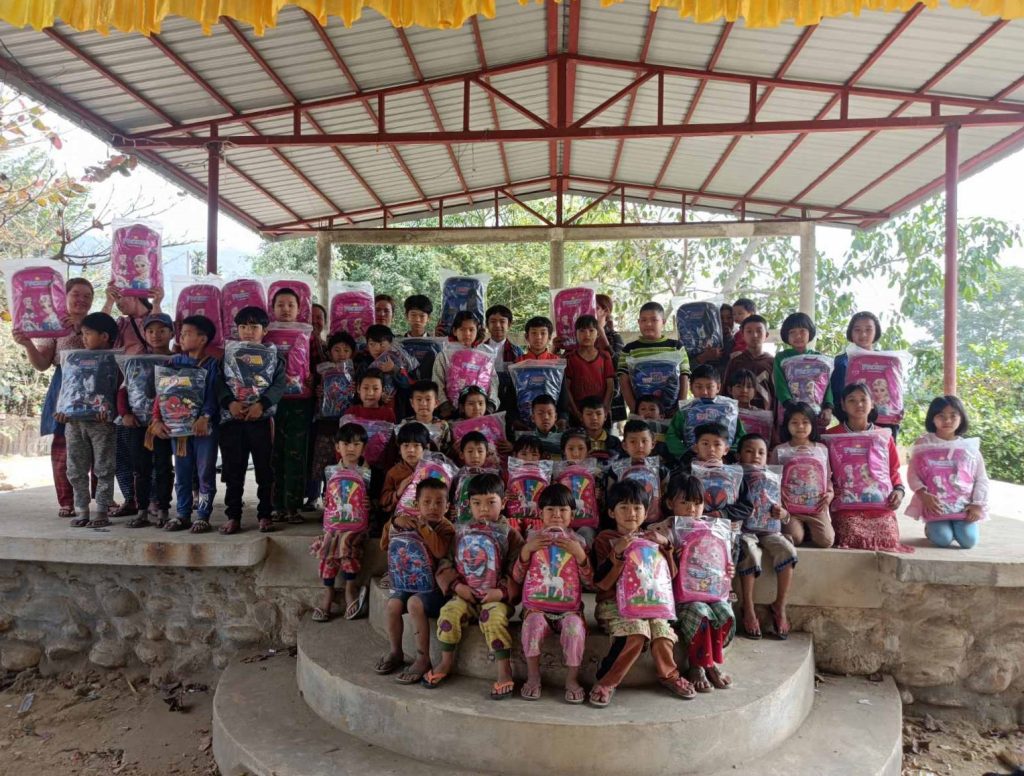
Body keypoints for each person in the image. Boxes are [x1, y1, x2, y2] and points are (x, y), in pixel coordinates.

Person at [590, 479, 695, 706]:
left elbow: (670, 576)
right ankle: (606, 681)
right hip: (614, 606)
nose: (631, 513)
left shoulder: (652, 539)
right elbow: (601, 583)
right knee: (636, 632)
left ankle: (669, 675)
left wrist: (666, 546)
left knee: (661, 629)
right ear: (611, 511)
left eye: (637, 508)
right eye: (624, 507)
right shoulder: (605, 539)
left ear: (646, 512)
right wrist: (617, 554)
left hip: (650, 603)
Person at [422, 472, 524, 699]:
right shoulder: (461, 531)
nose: (484, 509)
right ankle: (446, 661)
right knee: (448, 613)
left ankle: (503, 669)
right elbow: (446, 563)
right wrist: (457, 587)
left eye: (491, 502)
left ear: (504, 502)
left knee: (495, 619)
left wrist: (502, 592)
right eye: (477, 504)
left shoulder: (510, 535)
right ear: (469, 505)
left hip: (495, 598)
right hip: (464, 594)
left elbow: (518, 570)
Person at [14, 278, 97, 517]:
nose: (81, 300)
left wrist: (82, 326)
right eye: (76, 294)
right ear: (65, 296)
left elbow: (105, 351)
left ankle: (101, 498)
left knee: (99, 445)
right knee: (63, 446)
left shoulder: (98, 323)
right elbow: (42, 364)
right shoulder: (51, 324)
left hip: (95, 386)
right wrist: (28, 344)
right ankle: (67, 501)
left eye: (87, 296)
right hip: (64, 386)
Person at [653, 474, 736, 692]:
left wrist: (727, 570)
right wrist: (670, 554)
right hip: (678, 599)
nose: (692, 509)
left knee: (725, 613)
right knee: (701, 613)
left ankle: (712, 663)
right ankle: (698, 666)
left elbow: (720, 562)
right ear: (670, 503)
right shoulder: (661, 531)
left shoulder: (713, 530)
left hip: (710, 592)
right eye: (684, 502)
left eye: (697, 503)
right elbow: (653, 569)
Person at [511, 483, 592, 703]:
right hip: (536, 607)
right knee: (532, 625)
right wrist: (526, 551)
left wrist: (581, 556)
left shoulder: (579, 542)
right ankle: (533, 676)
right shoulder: (531, 539)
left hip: (570, 610)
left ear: (572, 514)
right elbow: (517, 577)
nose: (557, 515)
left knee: (574, 629)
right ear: (540, 513)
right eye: (550, 510)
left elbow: (589, 581)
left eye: (563, 510)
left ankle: (572, 679)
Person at [376, 477, 455, 683]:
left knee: (413, 603)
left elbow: (439, 551)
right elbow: (384, 544)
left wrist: (423, 528)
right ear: (416, 504)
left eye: (439, 503)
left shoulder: (446, 528)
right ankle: (396, 652)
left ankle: (422, 658)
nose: (432, 507)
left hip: (434, 589)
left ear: (447, 507)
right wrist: (394, 522)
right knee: (393, 604)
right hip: (407, 582)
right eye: (426, 502)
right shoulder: (406, 521)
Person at [217, 306, 287, 535]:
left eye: (254, 327)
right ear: (236, 329)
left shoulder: (274, 355)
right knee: (233, 469)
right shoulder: (227, 353)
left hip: (261, 420)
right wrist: (230, 403)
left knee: (265, 469)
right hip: (233, 420)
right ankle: (233, 516)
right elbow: (218, 383)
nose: (248, 331)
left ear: (265, 330)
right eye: (243, 327)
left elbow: (279, 384)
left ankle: (265, 514)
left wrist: (261, 405)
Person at [150, 315, 220, 533]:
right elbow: (161, 394)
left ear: (202, 339)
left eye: (187, 333)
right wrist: (156, 420)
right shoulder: (172, 363)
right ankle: (182, 514)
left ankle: (203, 515)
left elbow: (214, 395)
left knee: (205, 472)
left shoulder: (212, 365)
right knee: (182, 471)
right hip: (178, 430)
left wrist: (205, 417)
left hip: (203, 430)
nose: (182, 337)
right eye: (181, 333)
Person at [824, 383, 909, 553]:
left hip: (879, 504)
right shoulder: (831, 436)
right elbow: (825, 473)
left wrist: (899, 491)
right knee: (851, 537)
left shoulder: (883, 436)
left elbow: (893, 470)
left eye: (864, 399)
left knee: (888, 540)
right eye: (852, 400)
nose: (859, 405)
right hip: (846, 505)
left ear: (872, 403)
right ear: (842, 405)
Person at [102, 283, 162, 518]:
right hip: (126, 391)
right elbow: (99, 329)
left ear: (137, 294)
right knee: (123, 451)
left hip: (155, 392)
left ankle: (155, 499)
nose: (118, 301)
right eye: (115, 298)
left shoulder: (156, 318)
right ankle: (132, 498)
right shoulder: (120, 324)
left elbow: (162, 337)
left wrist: (156, 302)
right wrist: (107, 301)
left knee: (156, 453)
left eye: (121, 297)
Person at [58, 312, 120, 528]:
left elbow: (119, 391)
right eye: (82, 334)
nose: (83, 338)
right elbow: (66, 387)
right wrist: (61, 410)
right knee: (75, 468)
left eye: (88, 334)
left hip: (102, 424)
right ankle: (82, 510)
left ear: (104, 336)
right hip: (74, 423)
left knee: (104, 467)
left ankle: (102, 511)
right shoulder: (73, 358)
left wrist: (110, 411)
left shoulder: (115, 360)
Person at [906, 396, 988, 549]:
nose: (947, 420)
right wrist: (923, 494)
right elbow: (913, 473)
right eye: (941, 416)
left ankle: (957, 526)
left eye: (953, 415)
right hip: (936, 508)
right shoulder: (924, 444)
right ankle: (932, 529)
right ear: (932, 418)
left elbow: (981, 479)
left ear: (961, 418)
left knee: (968, 541)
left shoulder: (968, 448)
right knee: (943, 539)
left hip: (962, 508)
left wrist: (977, 505)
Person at [735, 434, 796, 641]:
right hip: (745, 531)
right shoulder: (734, 475)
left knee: (787, 550)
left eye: (761, 452)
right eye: (749, 451)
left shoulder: (773, 476)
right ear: (739, 454)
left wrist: (784, 514)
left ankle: (780, 605)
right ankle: (748, 607)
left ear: (767, 456)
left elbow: (786, 510)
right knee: (750, 551)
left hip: (770, 530)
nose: (755, 456)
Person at [311, 422, 372, 622]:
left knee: (346, 545)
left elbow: (372, 501)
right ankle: (328, 592)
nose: (351, 448)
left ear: (363, 447)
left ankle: (349, 589)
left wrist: (369, 503)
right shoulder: (330, 471)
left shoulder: (368, 473)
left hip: (356, 526)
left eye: (356, 444)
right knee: (328, 547)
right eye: (345, 444)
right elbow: (326, 498)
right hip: (334, 524)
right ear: (337, 447)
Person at [120, 312, 175, 528]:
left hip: (164, 425)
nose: (156, 335)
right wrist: (125, 413)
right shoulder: (134, 361)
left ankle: (163, 510)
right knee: (140, 469)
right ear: (144, 334)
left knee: (163, 467)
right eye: (150, 331)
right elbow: (123, 391)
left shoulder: (176, 360)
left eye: (162, 330)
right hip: (138, 425)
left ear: (172, 333)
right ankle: (142, 510)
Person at [270, 287, 316, 524]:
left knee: (297, 455)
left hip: (300, 402)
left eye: (290, 305)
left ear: (299, 309)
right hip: (272, 404)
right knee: (274, 454)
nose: (285, 309)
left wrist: (311, 378)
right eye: (280, 304)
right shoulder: (264, 333)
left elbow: (317, 363)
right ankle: (275, 506)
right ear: (272, 308)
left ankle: (293, 507)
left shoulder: (308, 334)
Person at [769, 402, 835, 548]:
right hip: (790, 509)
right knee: (795, 538)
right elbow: (772, 481)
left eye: (805, 422)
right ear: (787, 425)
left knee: (826, 541)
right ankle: (798, 530)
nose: (800, 426)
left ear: (812, 424)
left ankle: (808, 530)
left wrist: (830, 494)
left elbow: (828, 478)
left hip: (816, 507)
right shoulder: (780, 450)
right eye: (795, 422)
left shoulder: (822, 449)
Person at [616, 301, 690, 415]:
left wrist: (679, 409)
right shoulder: (629, 349)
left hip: (672, 411)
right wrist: (635, 409)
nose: (648, 324)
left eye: (654, 320)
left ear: (663, 322)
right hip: (642, 412)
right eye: (644, 320)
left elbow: (684, 378)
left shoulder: (677, 347)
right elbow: (623, 381)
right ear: (638, 322)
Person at [310, 331, 357, 502]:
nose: (341, 354)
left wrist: (354, 392)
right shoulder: (323, 371)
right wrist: (319, 392)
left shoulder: (355, 372)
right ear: (329, 352)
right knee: (326, 464)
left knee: (344, 463)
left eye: (346, 350)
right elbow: (314, 395)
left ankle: (342, 501)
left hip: (346, 427)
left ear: (352, 353)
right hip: (326, 424)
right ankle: (326, 500)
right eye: (337, 350)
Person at [666, 364, 746, 462]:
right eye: (699, 387)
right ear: (691, 388)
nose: (704, 392)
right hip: (692, 462)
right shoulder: (685, 411)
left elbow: (741, 435)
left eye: (709, 387)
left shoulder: (729, 410)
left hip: (724, 462)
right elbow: (672, 435)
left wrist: (731, 453)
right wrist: (684, 454)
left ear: (718, 387)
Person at [432, 311, 499, 418]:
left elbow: (493, 383)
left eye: (471, 330)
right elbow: (437, 382)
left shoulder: (486, 356)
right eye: (462, 329)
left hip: (480, 411)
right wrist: (445, 405)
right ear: (454, 331)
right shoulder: (444, 355)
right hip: (452, 413)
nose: (467, 334)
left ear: (477, 330)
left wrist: (490, 405)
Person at [773, 312, 833, 428]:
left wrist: (828, 407)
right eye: (792, 332)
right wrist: (789, 405)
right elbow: (780, 384)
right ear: (786, 336)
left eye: (802, 331)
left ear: (810, 333)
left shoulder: (820, 359)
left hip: (816, 413)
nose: (798, 336)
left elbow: (826, 386)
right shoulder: (782, 357)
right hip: (789, 412)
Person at [830, 311, 882, 426]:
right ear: (851, 333)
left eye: (868, 329)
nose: (863, 334)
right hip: (851, 426)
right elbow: (836, 397)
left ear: (876, 331)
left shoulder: (885, 361)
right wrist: (850, 421)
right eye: (857, 330)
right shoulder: (841, 362)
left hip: (885, 423)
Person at [565, 314, 615, 425]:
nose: (587, 335)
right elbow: (566, 388)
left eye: (591, 330)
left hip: (600, 413)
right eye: (582, 331)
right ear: (575, 334)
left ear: (598, 334)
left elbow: (610, 386)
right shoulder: (570, 358)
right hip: (577, 414)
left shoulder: (605, 357)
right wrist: (575, 412)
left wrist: (605, 409)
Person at [722, 314, 774, 411]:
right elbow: (726, 391)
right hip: (738, 415)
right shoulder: (736, 361)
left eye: (759, 331)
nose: (754, 335)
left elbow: (776, 394)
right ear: (742, 335)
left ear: (766, 335)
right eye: (749, 331)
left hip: (766, 417)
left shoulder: (772, 362)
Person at [482, 304, 523, 416]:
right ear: (487, 325)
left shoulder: (517, 352)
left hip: (510, 402)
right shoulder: (479, 351)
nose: (497, 325)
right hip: (484, 402)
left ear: (509, 324)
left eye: (502, 321)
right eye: (493, 321)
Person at [578, 395, 622, 462]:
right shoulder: (577, 442)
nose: (594, 418)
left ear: (605, 416)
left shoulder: (615, 442)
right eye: (589, 414)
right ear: (581, 417)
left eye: (598, 414)